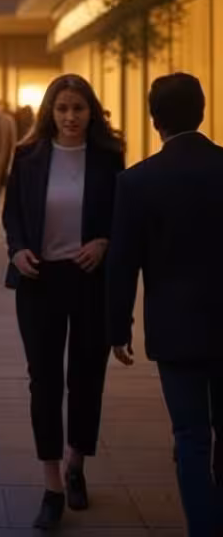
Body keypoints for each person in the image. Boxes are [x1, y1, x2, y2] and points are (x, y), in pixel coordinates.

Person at [2, 74, 125, 530]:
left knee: (87, 377)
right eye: (62, 109)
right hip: (40, 280)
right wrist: (15, 248)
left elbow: (121, 214)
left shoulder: (110, 157)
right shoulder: (28, 156)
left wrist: (105, 241)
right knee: (45, 381)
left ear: (91, 111)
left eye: (78, 108)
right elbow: (11, 211)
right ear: (49, 113)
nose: (70, 116)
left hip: (89, 280)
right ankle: (52, 482)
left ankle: (77, 463)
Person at [108, 73, 223, 536]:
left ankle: (203, 528)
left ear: (155, 120)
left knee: (191, 437)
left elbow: (122, 263)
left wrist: (117, 329)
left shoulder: (138, 183)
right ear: (203, 110)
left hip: (176, 330)